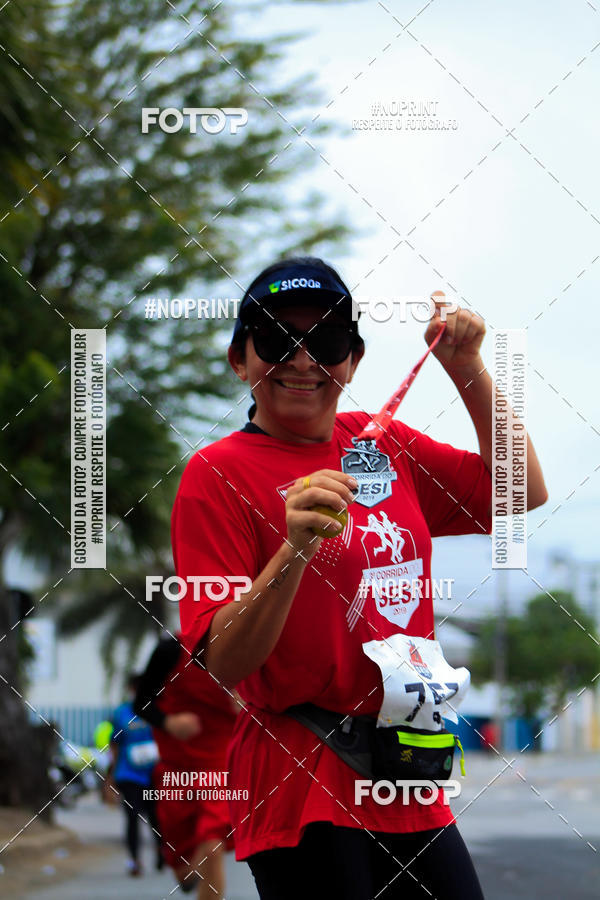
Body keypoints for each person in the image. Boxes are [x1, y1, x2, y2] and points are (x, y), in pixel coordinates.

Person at [172, 256, 548, 899]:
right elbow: (224, 663)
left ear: (353, 358)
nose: (301, 359)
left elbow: (519, 492)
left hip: (404, 766)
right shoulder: (215, 475)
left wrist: (469, 372)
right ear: (241, 360)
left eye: (326, 341)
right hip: (301, 780)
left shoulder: (382, 445)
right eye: (275, 339)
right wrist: (292, 551)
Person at [134, 633, 237, 898]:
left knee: (212, 847)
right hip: (175, 771)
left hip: (219, 768)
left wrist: (249, 705)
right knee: (185, 873)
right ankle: (188, 870)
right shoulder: (171, 649)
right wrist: (169, 723)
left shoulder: (246, 648)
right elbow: (141, 703)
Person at [110, 673, 162, 877]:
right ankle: (134, 860)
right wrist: (111, 775)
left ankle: (161, 851)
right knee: (132, 816)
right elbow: (115, 743)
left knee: (157, 817)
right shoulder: (122, 713)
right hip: (129, 775)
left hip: (154, 774)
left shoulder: (157, 710)